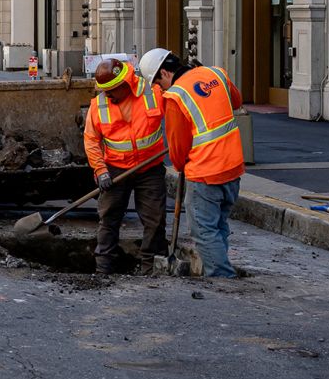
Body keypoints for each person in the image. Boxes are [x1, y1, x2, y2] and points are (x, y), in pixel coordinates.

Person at [139, 48, 246, 278]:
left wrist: (180, 167)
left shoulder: (176, 96)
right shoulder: (216, 73)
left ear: (165, 73)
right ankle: (220, 270)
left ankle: (222, 278)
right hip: (233, 167)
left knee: (204, 230)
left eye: (158, 84)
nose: (160, 89)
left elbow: (178, 147)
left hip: (205, 172)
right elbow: (236, 101)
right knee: (218, 225)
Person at [83, 58, 168, 274]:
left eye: (111, 90)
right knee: (109, 218)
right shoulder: (99, 105)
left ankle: (150, 268)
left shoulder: (153, 93)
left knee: (155, 220)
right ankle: (103, 268)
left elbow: (179, 110)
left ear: (125, 84)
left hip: (150, 168)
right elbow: (92, 141)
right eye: (104, 90)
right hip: (115, 168)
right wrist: (101, 171)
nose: (106, 95)